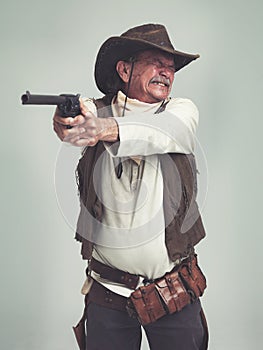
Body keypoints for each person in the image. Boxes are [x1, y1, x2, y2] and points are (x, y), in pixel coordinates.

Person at [53, 23, 208, 350]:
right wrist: (67, 122)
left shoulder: (180, 112)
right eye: (157, 62)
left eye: (171, 67)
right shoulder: (97, 110)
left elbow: (160, 131)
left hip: (171, 292)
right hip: (106, 293)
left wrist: (104, 128)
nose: (166, 72)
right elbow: (77, 125)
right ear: (125, 69)